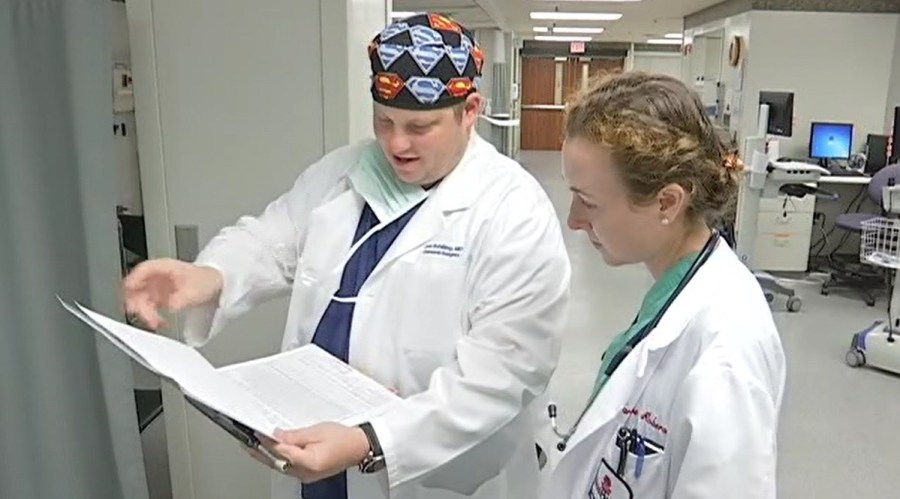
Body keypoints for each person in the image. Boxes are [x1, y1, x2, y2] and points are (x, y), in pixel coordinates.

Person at [122, 12, 570, 499]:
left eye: (420, 127)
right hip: (314, 444)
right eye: (384, 120)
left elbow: (503, 374)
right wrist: (208, 275)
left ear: (470, 111)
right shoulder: (345, 170)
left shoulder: (514, 211)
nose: (396, 143)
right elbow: (272, 239)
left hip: (426, 470)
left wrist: (371, 441)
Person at [544, 71, 786, 498]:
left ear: (667, 202)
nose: (574, 220)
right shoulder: (675, 291)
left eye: (590, 201)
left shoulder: (725, 356)